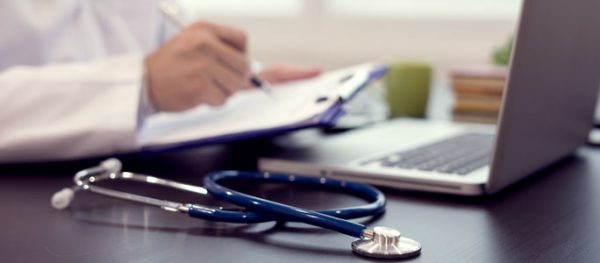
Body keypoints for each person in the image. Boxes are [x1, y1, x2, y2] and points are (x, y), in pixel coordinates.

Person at [0, 1, 320, 164]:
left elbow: (170, 56)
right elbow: (150, 75)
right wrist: (143, 83)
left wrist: (231, 80)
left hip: (136, 174)